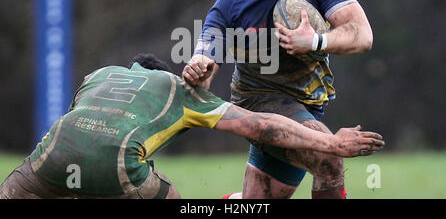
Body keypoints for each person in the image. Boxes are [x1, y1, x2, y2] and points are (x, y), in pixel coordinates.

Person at [0, 53, 384, 199]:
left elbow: (78, 137)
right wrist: (333, 144)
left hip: (45, 158)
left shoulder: (99, 73)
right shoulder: (182, 91)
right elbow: (261, 126)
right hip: (117, 166)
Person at [183, 0, 374, 199]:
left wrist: (315, 41)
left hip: (305, 102)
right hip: (258, 100)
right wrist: (199, 70)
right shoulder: (229, 3)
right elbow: (203, 58)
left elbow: (362, 35)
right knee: (328, 160)